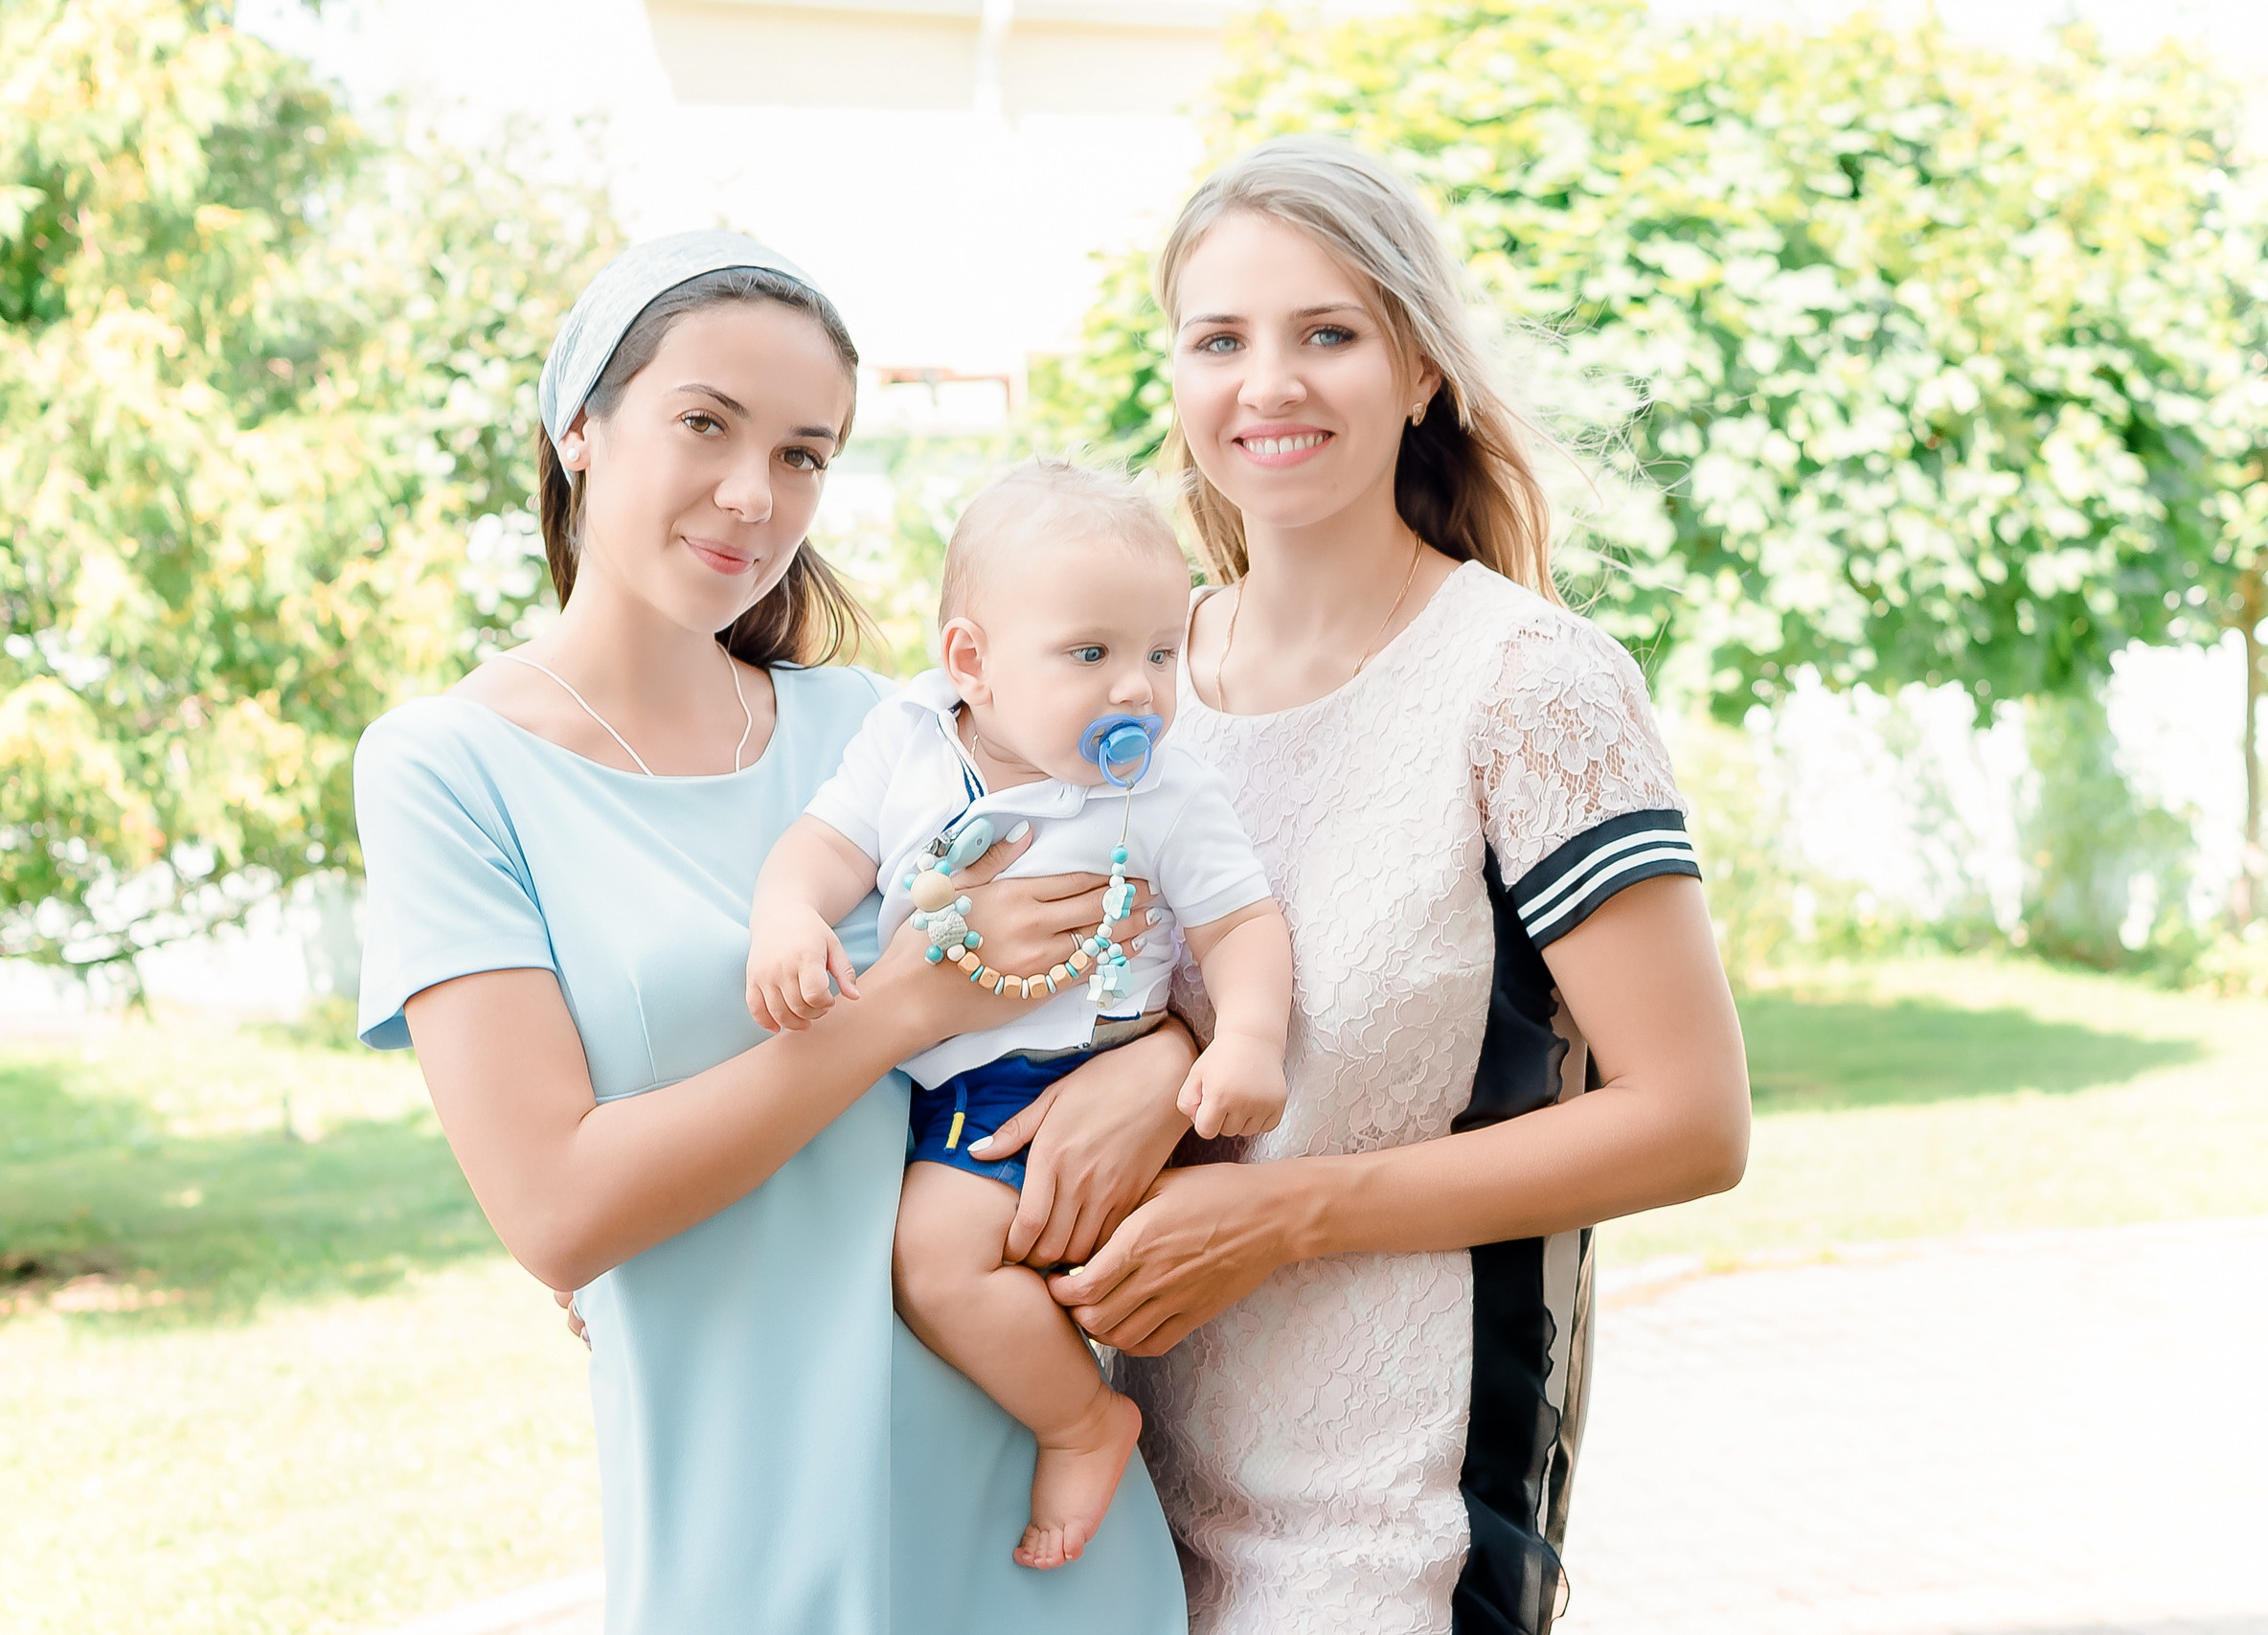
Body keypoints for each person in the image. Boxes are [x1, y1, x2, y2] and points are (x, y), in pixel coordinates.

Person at [351, 232, 1188, 1635]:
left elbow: (1142, 944)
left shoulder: (891, 731)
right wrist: (901, 1007)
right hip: (744, 1537)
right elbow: (555, 1208)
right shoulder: (446, 766)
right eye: (704, 423)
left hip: (1032, 1517)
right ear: (580, 431)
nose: (756, 493)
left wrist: (1155, 1071)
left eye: (805, 452)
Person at [1020, 137, 1754, 1634]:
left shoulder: (1528, 685)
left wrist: (1284, 1215)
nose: (1267, 383)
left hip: (1392, 1528)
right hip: (1103, 1517)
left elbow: (1692, 1118)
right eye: (1220, 339)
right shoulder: (1129, 693)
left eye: (1327, 333)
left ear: (1420, 367)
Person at [745, 459, 1292, 1572]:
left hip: (1087, 1068)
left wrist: (1245, 1039)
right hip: (938, 1082)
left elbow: (1243, 925)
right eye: (1090, 655)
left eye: (1157, 652)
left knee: (939, 1258)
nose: (1137, 691)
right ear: (971, 664)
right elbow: (822, 851)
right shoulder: (903, 743)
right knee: (867, 1229)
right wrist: (788, 920)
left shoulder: (1161, 792)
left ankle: (1082, 1425)